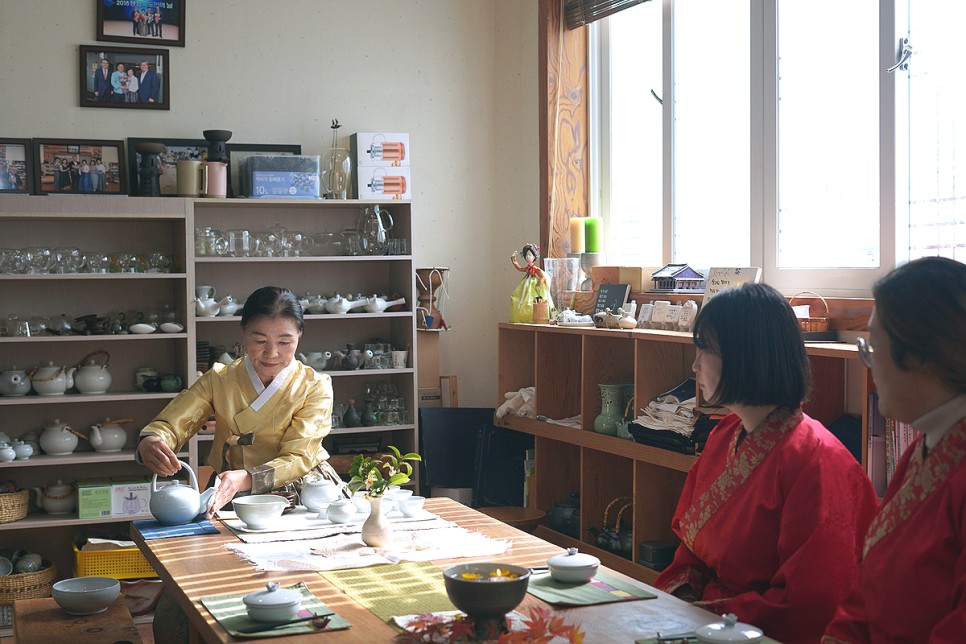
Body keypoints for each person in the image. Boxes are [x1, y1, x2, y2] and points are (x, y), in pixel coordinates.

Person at [653, 282, 878, 644]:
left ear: (746, 357)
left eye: (704, 351)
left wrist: (704, 617)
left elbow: (808, 603)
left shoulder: (816, 459)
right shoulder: (725, 434)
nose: (694, 365)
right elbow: (690, 553)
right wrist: (685, 598)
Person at [823, 257, 966, 643]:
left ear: (920, 356)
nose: (867, 364)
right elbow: (865, 593)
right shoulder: (925, 448)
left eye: (872, 347)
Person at [137, 286, 341, 516]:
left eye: (284, 342)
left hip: (303, 490)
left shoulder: (315, 386)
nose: (271, 353)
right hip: (230, 488)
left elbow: (300, 456)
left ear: (299, 336)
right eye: (260, 341)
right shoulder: (219, 379)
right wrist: (153, 440)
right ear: (243, 333)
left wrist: (247, 478)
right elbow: (176, 421)